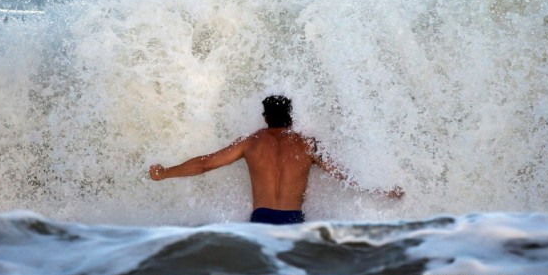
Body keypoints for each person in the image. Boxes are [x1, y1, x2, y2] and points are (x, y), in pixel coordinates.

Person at [149, 95, 404, 225]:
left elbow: (205, 163)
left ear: (265, 117)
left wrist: (166, 172)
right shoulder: (308, 144)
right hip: (294, 221)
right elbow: (343, 176)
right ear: (291, 116)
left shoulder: (250, 143)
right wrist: (381, 190)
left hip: (261, 221)